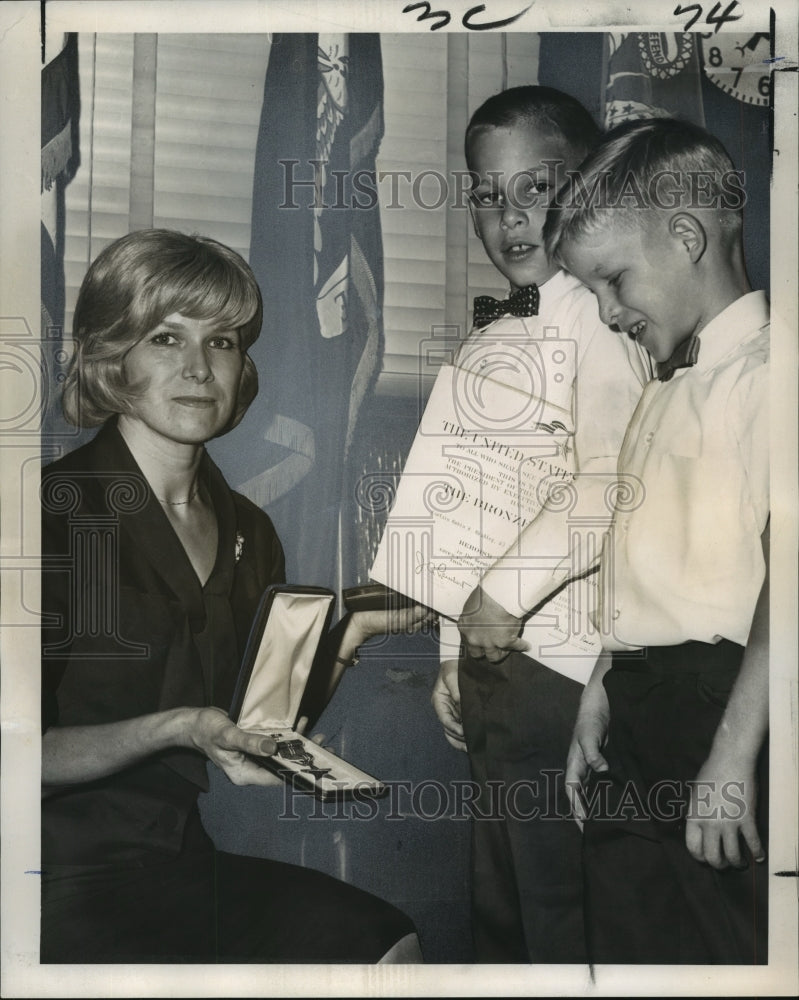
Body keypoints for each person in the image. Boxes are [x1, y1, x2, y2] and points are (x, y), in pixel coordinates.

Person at [40, 229, 430, 964]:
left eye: (220, 341)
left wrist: (348, 635)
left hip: (179, 866)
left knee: (385, 947)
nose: (197, 367)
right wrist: (174, 727)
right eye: (165, 337)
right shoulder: (46, 517)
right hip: (46, 880)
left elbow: (255, 728)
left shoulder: (249, 528)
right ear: (113, 357)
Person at [429, 86, 650, 963]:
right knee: (501, 913)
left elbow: (608, 484)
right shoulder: (492, 339)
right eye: (488, 194)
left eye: (535, 189)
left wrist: (501, 599)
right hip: (497, 666)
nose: (508, 216)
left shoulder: (603, 326)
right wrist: (453, 651)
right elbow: (472, 509)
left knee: (556, 912)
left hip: (559, 667)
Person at [551, 118, 769, 964]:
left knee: (729, 945)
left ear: (685, 237)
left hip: (722, 709)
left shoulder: (768, 374)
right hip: (641, 707)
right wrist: (600, 689)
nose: (608, 314)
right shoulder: (669, 385)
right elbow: (642, 568)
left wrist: (730, 758)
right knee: (635, 946)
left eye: (613, 281)